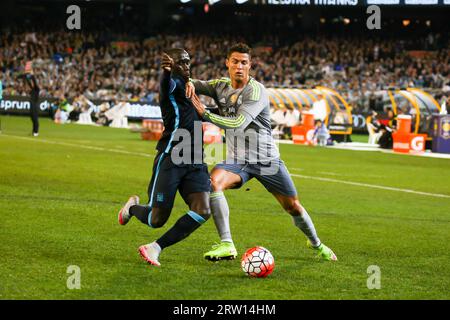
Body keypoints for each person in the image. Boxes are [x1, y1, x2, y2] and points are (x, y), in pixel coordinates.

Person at [187, 43, 337, 262]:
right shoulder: (219, 86)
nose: (239, 66)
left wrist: (205, 114)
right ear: (227, 63)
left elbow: (238, 123)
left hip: (266, 160)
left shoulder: (256, 91)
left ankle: (316, 243)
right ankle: (227, 244)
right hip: (237, 160)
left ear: (250, 65)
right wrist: (187, 82)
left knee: (293, 206)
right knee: (213, 183)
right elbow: (194, 83)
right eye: (235, 61)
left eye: (244, 62)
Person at [117, 49, 211, 267]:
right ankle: (131, 208)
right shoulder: (173, 86)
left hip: (196, 160)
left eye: (188, 62)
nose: (186, 67)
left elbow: (202, 112)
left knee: (203, 210)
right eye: (181, 63)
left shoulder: (191, 89)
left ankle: (155, 247)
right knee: (157, 219)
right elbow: (165, 85)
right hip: (172, 158)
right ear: (173, 66)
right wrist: (167, 73)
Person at [22, 62, 40, 136]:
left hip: (35, 105)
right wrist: (26, 76)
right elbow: (30, 83)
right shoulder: (32, 89)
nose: (31, 85)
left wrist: (32, 75)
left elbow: (34, 83)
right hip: (32, 104)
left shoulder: (36, 89)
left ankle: (36, 132)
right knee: (32, 117)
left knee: (35, 118)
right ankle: (34, 131)